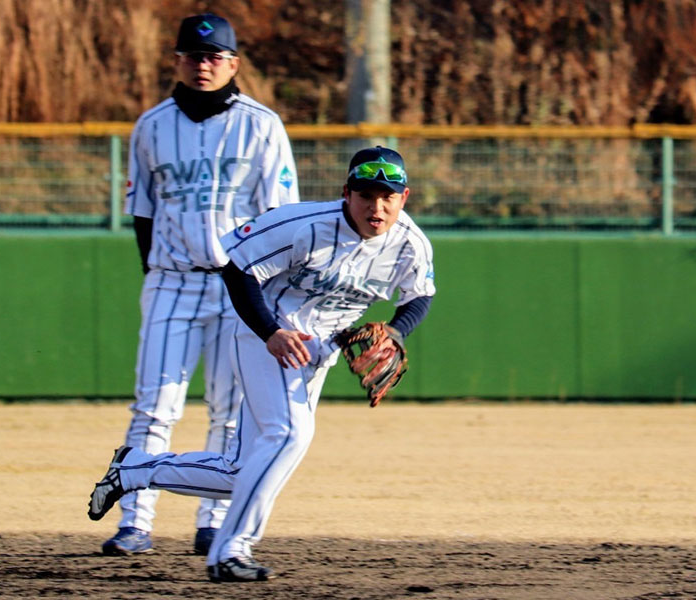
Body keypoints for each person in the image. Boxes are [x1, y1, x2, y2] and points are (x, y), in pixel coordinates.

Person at [89, 146, 436, 582]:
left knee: (244, 470)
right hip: (266, 336)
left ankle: (135, 468)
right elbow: (237, 268)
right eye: (366, 194)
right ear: (346, 193)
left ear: (404, 198)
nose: (377, 206)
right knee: (288, 434)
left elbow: (419, 293)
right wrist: (270, 331)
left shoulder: (409, 243)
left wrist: (398, 331)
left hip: (317, 353)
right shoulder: (304, 224)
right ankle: (229, 551)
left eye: (388, 196)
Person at [104, 13, 300, 557]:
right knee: (153, 406)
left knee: (231, 412)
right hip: (172, 282)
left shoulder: (262, 125)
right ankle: (134, 522)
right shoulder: (151, 126)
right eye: (193, 55)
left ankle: (212, 521)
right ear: (178, 61)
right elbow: (140, 212)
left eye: (215, 57)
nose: (203, 65)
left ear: (234, 64)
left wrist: (268, 295)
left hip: (240, 287)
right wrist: (158, 272)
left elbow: (279, 219)